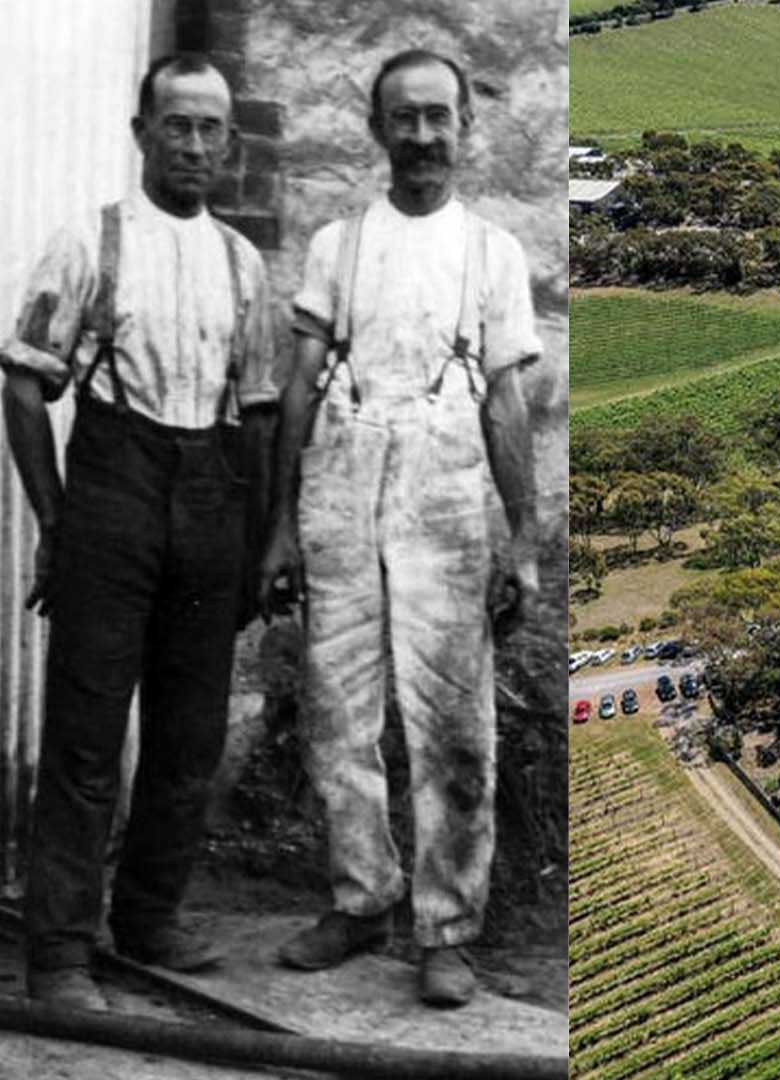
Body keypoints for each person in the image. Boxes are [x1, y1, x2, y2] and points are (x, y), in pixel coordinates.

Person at [259, 48, 540, 1008]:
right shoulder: (337, 247)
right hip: (340, 484)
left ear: (464, 129)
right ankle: (361, 898)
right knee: (337, 718)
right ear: (377, 130)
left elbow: (506, 405)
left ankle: (447, 928)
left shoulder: (490, 254)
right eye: (404, 118)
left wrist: (525, 538)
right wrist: (282, 530)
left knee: (455, 727)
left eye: (438, 117)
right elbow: (298, 388)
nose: (422, 135)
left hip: (449, 492)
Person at [0, 54, 278, 1011]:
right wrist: (56, 517)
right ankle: (61, 954)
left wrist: (259, 542)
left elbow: (263, 414)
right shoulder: (92, 241)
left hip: (212, 496)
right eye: (177, 125)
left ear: (228, 144)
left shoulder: (243, 265)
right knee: (83, 739)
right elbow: (26, 384)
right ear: (142, 134)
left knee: (188, 733)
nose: (194, 144)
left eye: (210, 129)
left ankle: (149, 918)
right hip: (114, 493)